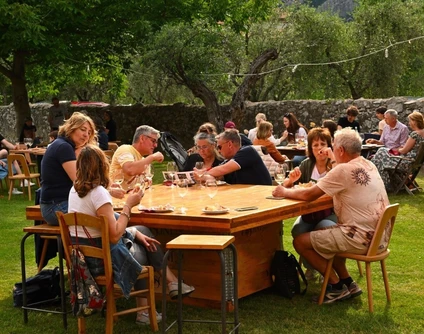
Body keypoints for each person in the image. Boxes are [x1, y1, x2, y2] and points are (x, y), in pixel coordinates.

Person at [68, 145, 195, 325]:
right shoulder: (99, 194)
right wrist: (129, 205)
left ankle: (172, 283)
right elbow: (114, 236)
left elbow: (106, 224)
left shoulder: (74, 190)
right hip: (102, 263)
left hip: (83, 260)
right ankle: (145, 310)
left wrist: (134, 233)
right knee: (142, 250)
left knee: (142, 231)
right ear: (103, 167)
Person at [272, 128, 389, 303]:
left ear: (340, 150)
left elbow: (308, 195)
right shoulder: (368, 164)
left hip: (359, 237)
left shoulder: (343, 171)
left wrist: (283, 190)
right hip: (379, 238)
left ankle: (335, 286)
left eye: (333, 147)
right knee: (329, 234)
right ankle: (348, 282)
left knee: (300, 242)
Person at [284, 128, 338, 279]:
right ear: (310, 148)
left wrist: (332, 158)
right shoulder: (307, 164)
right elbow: (285, 184)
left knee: (323, 229)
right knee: (298, 230)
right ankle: (312, 267)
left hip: (332, 212)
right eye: (315, 145)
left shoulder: (335, 165)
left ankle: (324, 269)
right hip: (309, 213)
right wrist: (292, 180)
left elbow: (339, 179)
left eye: (323, 144)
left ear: (329, 146)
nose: (319, 148)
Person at [40, 112, 97, 226]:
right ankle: (131, 236)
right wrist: (108, 190)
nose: (86, 135)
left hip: (60, 204)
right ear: (71, 128)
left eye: (89, 132)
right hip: (55, 207)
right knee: (105, 218)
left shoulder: (64, 145)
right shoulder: (63, 147)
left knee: (110, 216)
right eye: (83, 129)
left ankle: (131, 236)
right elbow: (80, 181)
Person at [371, 111, 424, 191]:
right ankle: (382, 183)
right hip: (414, 162)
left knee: (381, 154)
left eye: (410, 121)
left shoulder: (415, 134)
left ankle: (376, 180)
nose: (409, 123)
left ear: (414, 122)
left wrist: (398, 149)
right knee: (382, 155)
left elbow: (404, 151)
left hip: (406, 162)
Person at [204, 129, 272, 185]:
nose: (218, 151)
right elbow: (215, 174)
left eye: (219, 147)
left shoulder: (247, 152)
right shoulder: (229, 160)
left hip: (263, 197)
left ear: (230, 144)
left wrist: (202, 175)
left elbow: (220, 170)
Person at [109, 125, 164, 191]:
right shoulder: (125, 149)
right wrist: (152, 157)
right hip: (116, 199)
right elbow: (130, 169)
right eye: (153, 141)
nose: (155, 145)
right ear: (142, 138)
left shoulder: (144, 161)